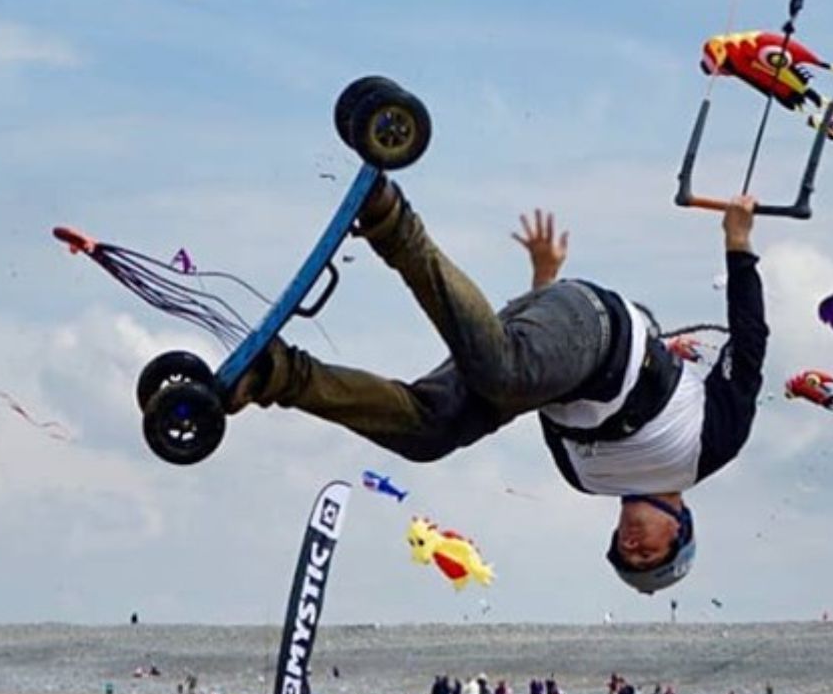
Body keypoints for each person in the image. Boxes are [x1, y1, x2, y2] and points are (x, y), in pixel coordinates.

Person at [230, 188, 768, 596]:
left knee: (429, 432)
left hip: (544, 332)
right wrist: (738, 242)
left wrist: (542, 283)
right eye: (650, 554)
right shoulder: (711, 448)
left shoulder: (581, 478)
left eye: (626, 556)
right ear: (682, 528)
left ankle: (277, 376)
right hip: (601, 327)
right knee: (504, 376)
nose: (633, 547)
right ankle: (391, 220)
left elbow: (541, 384)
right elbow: (748, 347)